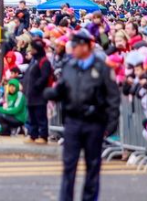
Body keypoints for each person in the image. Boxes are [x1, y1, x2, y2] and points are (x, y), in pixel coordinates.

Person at [44, 28, 120, 201]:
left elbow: (113, 97)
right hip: (73, 121)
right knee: (69, 165)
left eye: (76, 45)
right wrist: (50, 93)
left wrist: (110, 125)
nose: (73, 49)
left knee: (92, 166)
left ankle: (89, 198)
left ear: (85, 47)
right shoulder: (69, 66)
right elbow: (63, 89)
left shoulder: (102, 68)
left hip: (94, 122)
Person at [24, 39, 53, 143]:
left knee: (40, 116)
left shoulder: (44, 62)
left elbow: (44, 77)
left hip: (39, 94)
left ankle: (43, 135)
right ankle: (33, 134)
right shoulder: (34, 61)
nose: (31, 50)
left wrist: (36, 86)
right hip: (31, 94)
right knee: (32, 116)